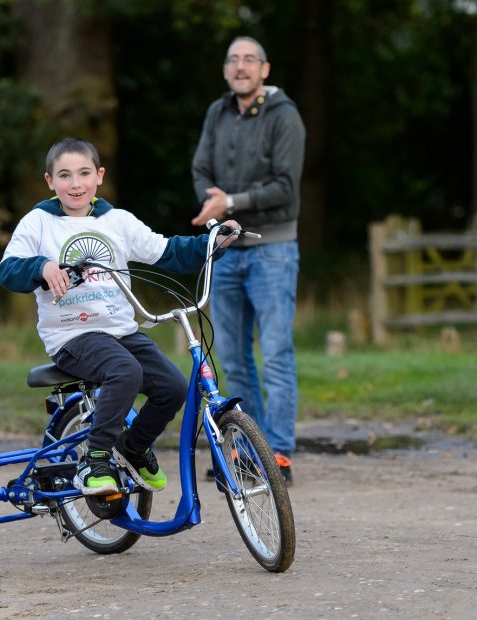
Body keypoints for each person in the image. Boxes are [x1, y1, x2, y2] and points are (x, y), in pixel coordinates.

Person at [0, 137, 239, 495]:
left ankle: (133, 448)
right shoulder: (38, 224)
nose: (75, 184)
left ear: (99, 176)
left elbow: (167, 251)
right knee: (125, 371)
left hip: (120, 329)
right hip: (72, 335)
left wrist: (210, 244)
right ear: (50, 181)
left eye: (83, 174)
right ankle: (95, 460)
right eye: (64, 176)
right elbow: (7, 270)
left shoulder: (117, 221)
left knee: (172, 387)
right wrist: (43, 266)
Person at [191, 36, 306, 485]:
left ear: (265, 69)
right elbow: (201, 169)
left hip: (273, 249)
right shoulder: (217, 113)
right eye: (233, 60)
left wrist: (230, 201)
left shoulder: (285, 116)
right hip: (226, 249)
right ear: (225, 71)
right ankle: (246, 452)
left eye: (249, 60)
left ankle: (277, 453)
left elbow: (285, 186)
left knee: (276, 353)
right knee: (235, 359)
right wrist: (213, 201)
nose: (241, 67)